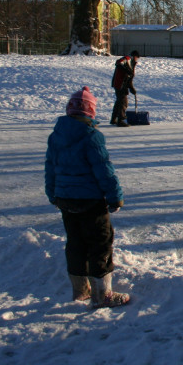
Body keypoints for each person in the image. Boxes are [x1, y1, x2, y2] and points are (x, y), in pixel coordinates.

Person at [44, 86, 130, 308]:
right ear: (90, 112)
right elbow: (104, 170)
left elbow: (50, 168)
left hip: (65, 200)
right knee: (100, 243)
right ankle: (103, 295)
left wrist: (53, 193)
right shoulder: (92, 136)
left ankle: (80, 291)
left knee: (75, 243)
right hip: (91, 202)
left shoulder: (56, 136)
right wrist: (115, 197)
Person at [111, 50, 140, 127]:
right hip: (119, 84)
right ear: (134, 56)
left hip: (122, 85)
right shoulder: (127, 59)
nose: (137, 60)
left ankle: (114, 119)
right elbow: (118, 63)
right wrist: (126, 70)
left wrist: (131, 88)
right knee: (123, 102)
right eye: (137, 58)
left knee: (119, 101)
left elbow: (129, 78)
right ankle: (120, 120)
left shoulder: (132, 64)